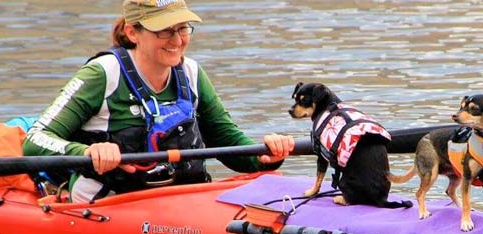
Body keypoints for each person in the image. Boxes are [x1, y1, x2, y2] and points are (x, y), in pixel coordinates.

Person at [23, 0, 295, 202]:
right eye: (164, 31)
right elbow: (35, 139)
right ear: (132, 33)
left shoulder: (191, 73)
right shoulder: (103, 74)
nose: (177, 40)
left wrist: (265, 155)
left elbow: (229, 144)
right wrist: (85, 153)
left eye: (182, 29)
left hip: (180, 202)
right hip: (107, 204)